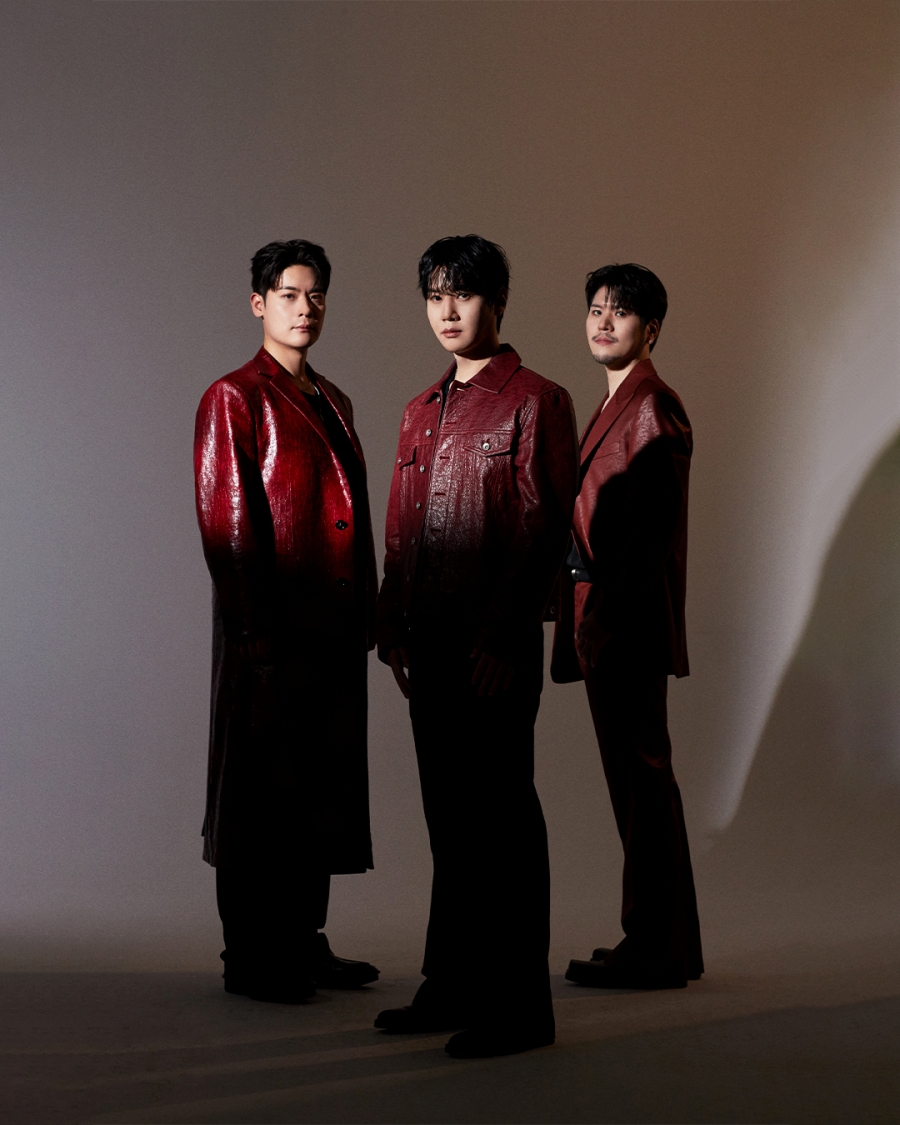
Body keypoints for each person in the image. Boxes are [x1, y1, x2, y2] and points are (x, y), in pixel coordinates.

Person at [375, 235, 578, 1057]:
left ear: (497, 301)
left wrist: (504, 632)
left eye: (462, 293)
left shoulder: (537, 400)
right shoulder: (419, 409)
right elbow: (401, 525)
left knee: (502, 822)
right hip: (427, 643)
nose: (447, 310)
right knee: (449, 821)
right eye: (435, 295)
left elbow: (544, 526)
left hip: (492, 646)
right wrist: (391, 626)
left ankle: (520, 1006)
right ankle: (452, 983)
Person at [193, 239, 379, 1003]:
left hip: (329, 631)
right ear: (258, 303)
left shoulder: (334, 399)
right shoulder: (234, 396)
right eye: (290, 294)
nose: (306, 308)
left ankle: (303, 940)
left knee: (317, 786)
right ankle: (250, 955)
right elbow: (228, 526)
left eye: (317, 295)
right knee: (256, 791)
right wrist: (255, 635)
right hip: (270, 631)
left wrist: (366, 612)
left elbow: (354, 518)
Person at [554, 263, 703, 990]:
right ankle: (668, 943)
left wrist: (606, 616)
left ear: (652, 329)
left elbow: (651, 535)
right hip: (609, 621)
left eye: (621, 311)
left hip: (624, 627)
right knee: (641, 785)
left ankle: (654, 948)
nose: (603, 321)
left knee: (643, 786)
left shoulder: (652, 404)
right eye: (595, 309)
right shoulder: (621, 401)